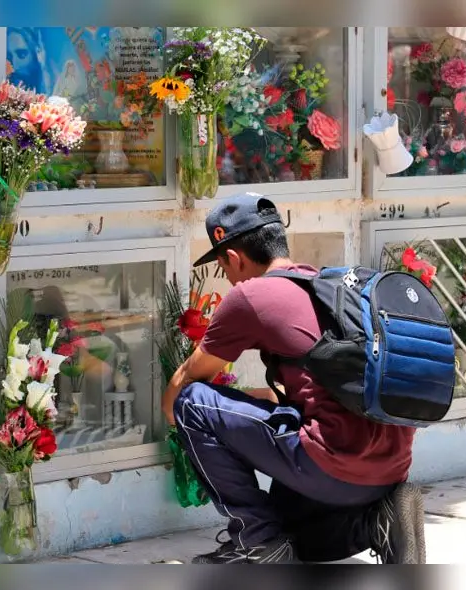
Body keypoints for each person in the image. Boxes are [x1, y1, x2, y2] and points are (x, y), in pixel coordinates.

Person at [162, 192, 425, 564]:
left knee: (191, 404)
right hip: (388, 470)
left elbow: (187, 383)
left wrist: (169, 413)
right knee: (294, 538)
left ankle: (255, 542)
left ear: (234, 259)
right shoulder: (329, 288)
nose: (229, 280)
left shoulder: (251, 296)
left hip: (330, 466)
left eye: (224, 268)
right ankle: (376, 522)